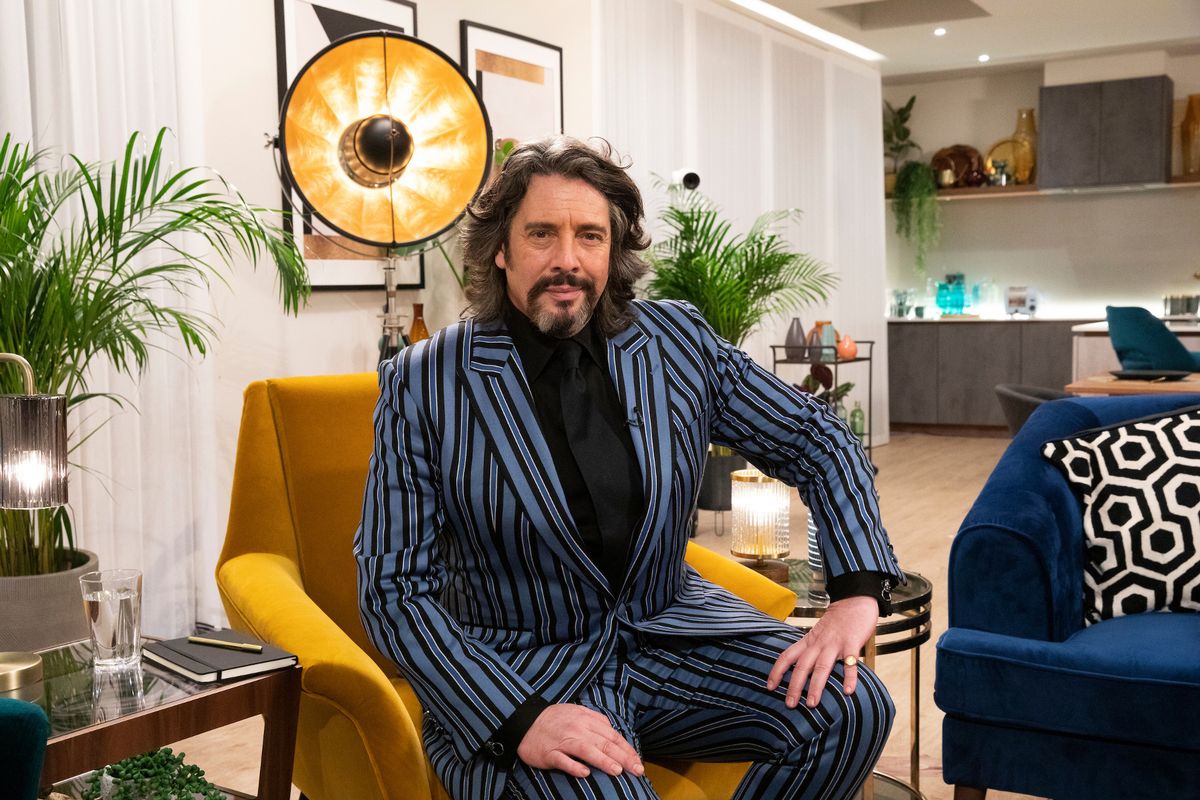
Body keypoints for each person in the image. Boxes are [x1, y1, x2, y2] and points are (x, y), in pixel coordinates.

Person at [356, 136, 905, 800]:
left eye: (589, 236)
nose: (567, 259)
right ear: (501, 249)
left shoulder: (677, 342)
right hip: (525, 671)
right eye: (541, 234)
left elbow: (818, 439)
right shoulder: (425, 381)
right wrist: (520, 718)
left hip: (672, 637)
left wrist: (855, 593)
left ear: (612, 250)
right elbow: (394, 589)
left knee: (853, 707)